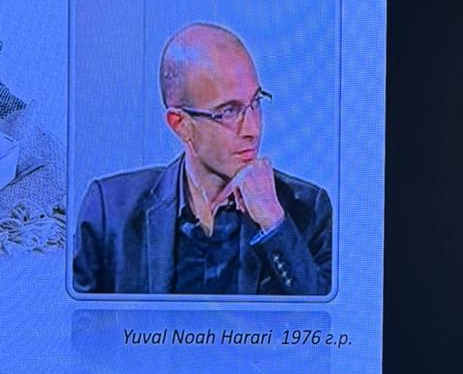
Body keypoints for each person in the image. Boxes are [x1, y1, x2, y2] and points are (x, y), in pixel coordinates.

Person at [72, 22, 333, 296]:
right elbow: (73, 321)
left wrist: (274, 225)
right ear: (181, 124)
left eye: (256, 102)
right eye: (229, 111)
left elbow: (323, 318)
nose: (253, 129)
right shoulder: (110, 213)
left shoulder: (308, 210)